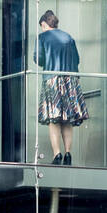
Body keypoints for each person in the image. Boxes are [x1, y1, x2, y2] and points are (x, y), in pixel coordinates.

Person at [34, 9, 88, 165]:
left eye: (41, 26)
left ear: (43, 24)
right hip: (71, 81)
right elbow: (77, 59)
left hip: (52, 79)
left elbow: (39, 59)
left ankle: (57, 154)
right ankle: (68, 153)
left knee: (53, 119)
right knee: (67, 120)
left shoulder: (42, 37)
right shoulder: (68, 37)